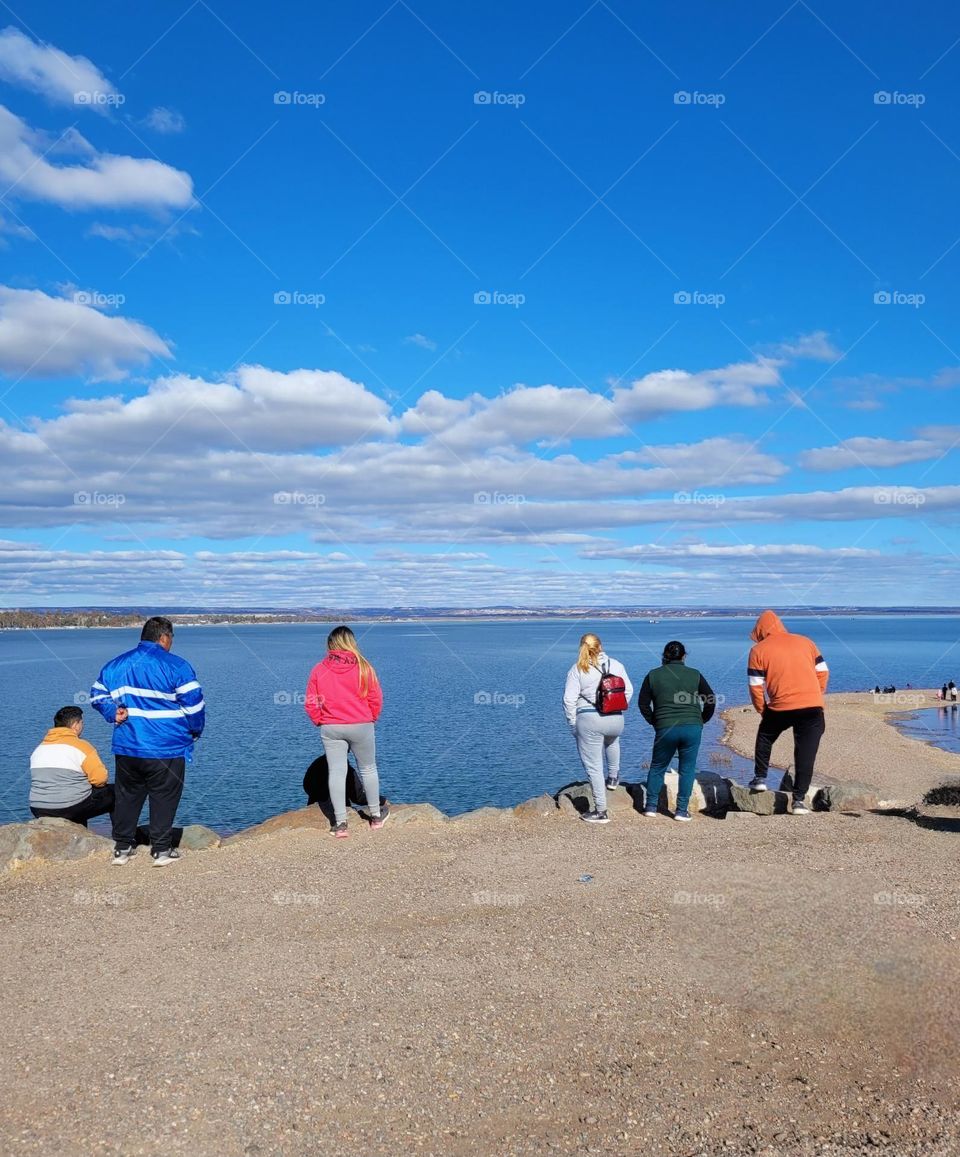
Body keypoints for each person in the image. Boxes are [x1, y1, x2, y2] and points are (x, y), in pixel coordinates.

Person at [90, 616, 205, 866]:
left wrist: (112, 711)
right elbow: (194, 705)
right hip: (166, 746)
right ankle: (161, 850)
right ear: (164, 637)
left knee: (127, 795)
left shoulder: (116, 665)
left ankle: (122, 848)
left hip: (128, 744)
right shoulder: (177, 666)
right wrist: (195, 731)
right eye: (171, 638)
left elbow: (97, 694)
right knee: (164, 795)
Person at [304, 626, 387, 838]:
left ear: (331, 644)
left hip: (331, 727)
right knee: (368, 769)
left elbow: (311, 702)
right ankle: (376, 817)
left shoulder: (319, 669)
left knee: (337, 772)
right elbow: (375, 698)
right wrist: (372, 717)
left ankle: (340, 824)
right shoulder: (364, 667)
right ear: (351, 642)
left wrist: (319, 720)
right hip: (361, 725)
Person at [747, 610, 828, 815]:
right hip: (812, 707)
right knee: (805, 754)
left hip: (780, 706)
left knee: (765, 736)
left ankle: (760, 778)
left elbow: (756, 686)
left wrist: (762, 710)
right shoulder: (806, 642)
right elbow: (823, 672)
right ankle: (799, 801)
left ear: (760, 630)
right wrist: (816, 694)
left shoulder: (758, 650)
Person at [637, 641, 717, 822]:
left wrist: (654, 721)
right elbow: (710, 699)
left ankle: (650, 806)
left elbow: (643, 703)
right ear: (684, 656)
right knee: (687, 769)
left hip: (665, 727)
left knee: (657, 766)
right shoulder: (694, 674)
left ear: (664, 656)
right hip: (692, 726)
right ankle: (681, 810)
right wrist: (702, 719)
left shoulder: (653, 675)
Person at [562, 633, 633, 824]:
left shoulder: (578, 669)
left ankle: (601, 811)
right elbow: (628, 691)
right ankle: (613, 777)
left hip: (590, 720)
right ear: (601, 645)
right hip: (616, 719)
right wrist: (615, 706)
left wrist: (572, 723)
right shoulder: (616, 665)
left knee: (594, 767)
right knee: (612, 741)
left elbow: (568, 700)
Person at [29, 706, 114, 827]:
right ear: (75, 725)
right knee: (117, 792)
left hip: (38, 807)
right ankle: (122, 838)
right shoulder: (82, 746)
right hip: (68, 808)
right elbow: (100, 780)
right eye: (82, 723)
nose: (82, 726)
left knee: (77, 792)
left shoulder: (39, 749)